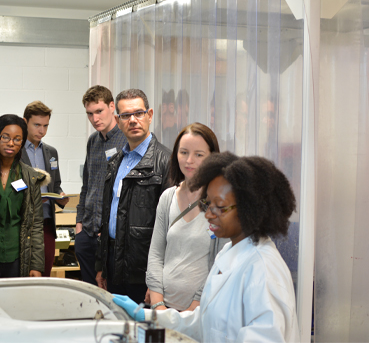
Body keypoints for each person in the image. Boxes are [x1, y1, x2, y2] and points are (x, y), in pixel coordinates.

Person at [114, 152, 300, 343]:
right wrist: (148, 316)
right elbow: (204, 320)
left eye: (219, 206)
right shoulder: (228, 253)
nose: (209, 215)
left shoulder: (263, 270)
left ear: (251, 207)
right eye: (207, 204)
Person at [95, 88, 171, 304]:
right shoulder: (116, 162)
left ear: (150, 115)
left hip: (144, 269)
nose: (133, 120)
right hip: (114, 265)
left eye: (139, 113)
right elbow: (106, 217)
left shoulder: (166, 162)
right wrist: (102, 268)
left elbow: (170, 228)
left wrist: (156, 280)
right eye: (126, 116)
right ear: (118, 121)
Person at [146, 123, 229, 312]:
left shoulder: (222, 203)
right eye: (184, 152)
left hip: (202, 310)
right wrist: (158, 305)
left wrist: (192, 311)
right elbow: (156, 255)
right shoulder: (168, 197)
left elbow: (220, 264)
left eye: (199, 155)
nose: (189, 160)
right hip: (163, 308)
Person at [0, 114, 46, 278]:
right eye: (5, 137)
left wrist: (36, 264)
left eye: (17, 139)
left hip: (17, 256)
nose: (11, 143)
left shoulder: (29, 176)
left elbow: (35, 223)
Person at [76, 85, 127, 286]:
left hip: (109, 235)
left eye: (99, 111)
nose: (95, 118)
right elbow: (86, 184)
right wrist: (79, 222)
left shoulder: (126, 138)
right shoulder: (93, 141)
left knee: (111, 294)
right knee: (89, 293)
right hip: (87, 231)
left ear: (112, 107)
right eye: (90, 113)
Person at [20, 101, 69, 277]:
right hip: (23, 224)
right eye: (37, 125)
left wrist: (60, 195)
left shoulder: (51, 152)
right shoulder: (15, 151)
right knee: (25, 277)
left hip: (47, 222)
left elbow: (55, 185)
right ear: (25, 122)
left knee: (45, 275)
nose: (42, 131)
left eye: (46, 126)